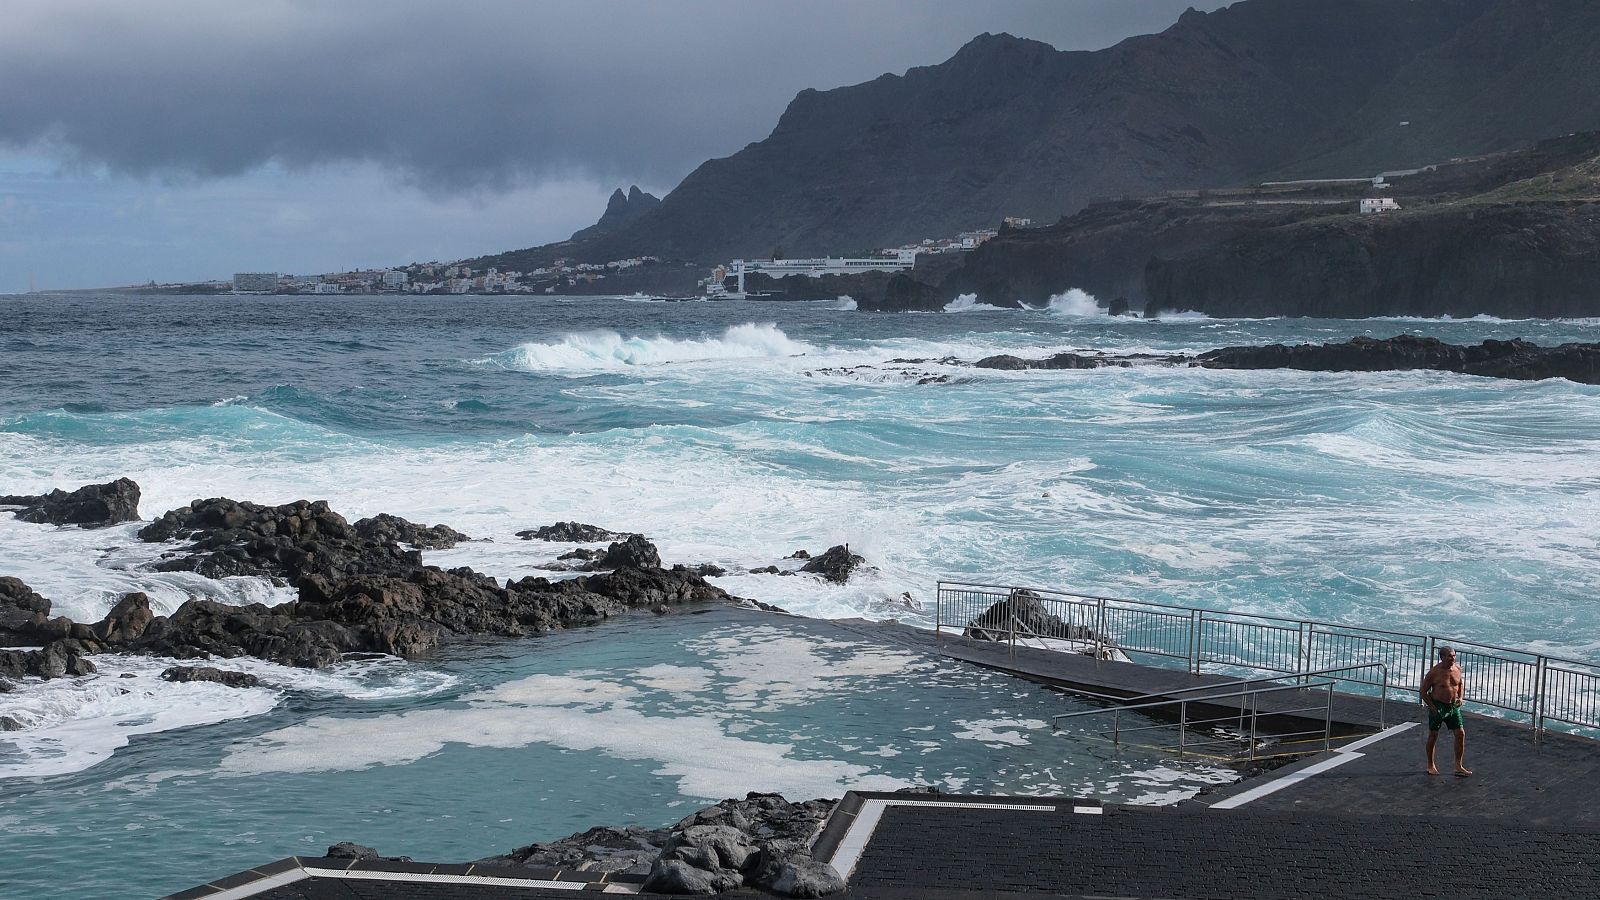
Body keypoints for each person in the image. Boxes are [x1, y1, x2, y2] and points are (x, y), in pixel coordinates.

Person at [1421, 645, 1472, 776]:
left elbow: (1460, 683)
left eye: (1454, 655)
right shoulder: (1434, 672)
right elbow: (1423, 691)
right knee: (1433, 735)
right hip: (1438, 705)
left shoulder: (1457, 668)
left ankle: (1458, 765)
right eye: (1450, 656)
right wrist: (1432, 707)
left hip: (1452, 706)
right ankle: (1430, 765)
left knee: (1460, 733)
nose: (1453, 658)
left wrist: (1460, 697)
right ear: (1443, 658)